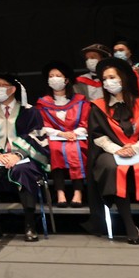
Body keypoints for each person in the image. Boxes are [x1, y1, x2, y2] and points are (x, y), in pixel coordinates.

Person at [87, 56, 139, 244]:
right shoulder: (98, 107)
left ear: (123, 79)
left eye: (112, 77)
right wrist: (118, 150)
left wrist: (135, 148)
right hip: (111, 152)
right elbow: (98, 137)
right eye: (105, 79)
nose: (108, 82)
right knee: (111, 168)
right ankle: (129, 224)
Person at [0, 73, 49, 242]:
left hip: (24, 158)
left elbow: (37, 137)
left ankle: (30, 225)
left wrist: (18, 154)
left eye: (1, 85)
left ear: (13, 89)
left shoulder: (29, 112)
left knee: (24, 171)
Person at [33, 61, 89, 207]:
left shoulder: (80, 101)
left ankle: (78, 192)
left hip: (77, 137)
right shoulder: (43, 103)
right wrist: (61, 134)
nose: (54, 79)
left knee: (76, 149)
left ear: (66, 80)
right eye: (51, 76)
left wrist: (73, 133)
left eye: (58, 75)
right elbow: (42, 126)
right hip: (54, 138)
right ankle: (60, 192)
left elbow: (85, 122)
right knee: (54, 149)